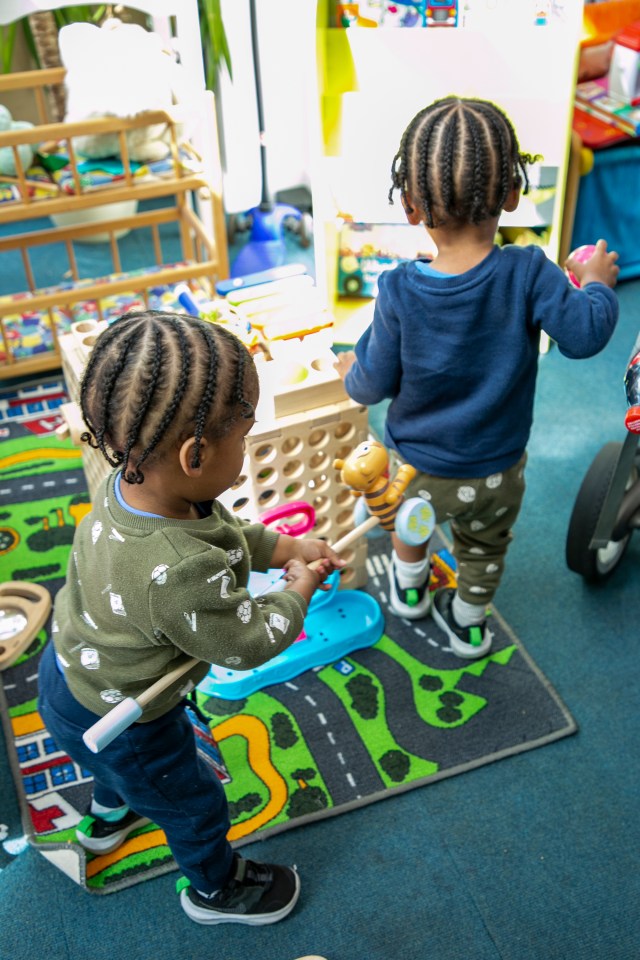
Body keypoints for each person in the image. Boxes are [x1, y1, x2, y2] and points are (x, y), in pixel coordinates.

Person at [38, 310, 344, 925]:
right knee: (192, 804)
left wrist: (283, 549)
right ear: (196, 452)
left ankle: (107, 817)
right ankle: (216, 890)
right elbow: (249, 641)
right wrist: (301, 588)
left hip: (71, 676)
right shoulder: (177, 571)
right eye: (246, 435)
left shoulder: (136, 478)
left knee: (116, 773)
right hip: (128, 719)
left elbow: (223, 533)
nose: (249, 446)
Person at [334, 96, 619, 659]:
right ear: (512, 195)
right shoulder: (530, 270)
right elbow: (585, 336)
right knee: (484, 546)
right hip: (497, 465)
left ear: (411, 207)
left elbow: (369, 386)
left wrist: (351, 368)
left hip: (418, 466)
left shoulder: (397, 290)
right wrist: (597, 284)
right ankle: (468, 622)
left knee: (409, 524)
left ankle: (411, 591)